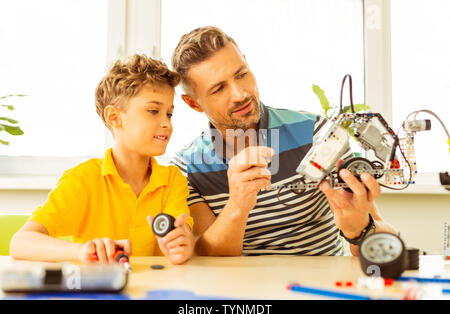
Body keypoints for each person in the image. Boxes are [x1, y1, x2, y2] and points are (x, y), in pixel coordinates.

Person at [170, 26, 397, 257]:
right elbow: (205, 258)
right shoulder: (187, 167)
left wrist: (359, 230)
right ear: (193, 104)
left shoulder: (317, 134)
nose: (240, 94)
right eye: (219, 89)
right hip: (243, 291)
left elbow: (384, 242)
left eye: (241, 74)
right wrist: (237, 206)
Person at [10, 54, 194, 265]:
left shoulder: (172, 180)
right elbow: (21, 242)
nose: (166, 124)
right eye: (153, 111)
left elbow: (183, 236)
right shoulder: (82, 180)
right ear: (114, 117)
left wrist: (183, 244)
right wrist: (82, 251)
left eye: (169, 114)